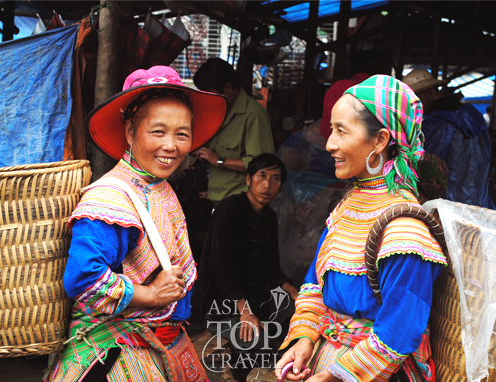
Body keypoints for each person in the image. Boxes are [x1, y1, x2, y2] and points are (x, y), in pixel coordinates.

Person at [45, 66, 227, 382]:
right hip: (115, 356)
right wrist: (151, 295)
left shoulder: (157, 185)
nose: (171, 146)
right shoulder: (111, 198)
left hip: (159, 343)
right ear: (130, 131)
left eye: (182, 134)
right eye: (158, 131)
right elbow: (83, 278)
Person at [275, 75, 447, 382]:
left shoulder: (406, 231)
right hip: (326, 358)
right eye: (331, 129)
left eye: (341, 131)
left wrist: (336, 375)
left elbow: (400, 329)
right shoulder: (348, 207)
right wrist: (303, 341)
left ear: (380, 140)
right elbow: (315, 283)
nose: (330, 144)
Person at [193, 153, 298, 382]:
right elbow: (222, 266)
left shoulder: (269, 216)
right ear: (248, 179)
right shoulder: (229, 208)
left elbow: (272, 267)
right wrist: (244, 310)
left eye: (275, 178)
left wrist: (295, 293)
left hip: (254, 302)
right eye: (262, 176)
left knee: (293, 312)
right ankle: (237, 371)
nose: (267, 185)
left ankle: (245, 356)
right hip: (221, 304)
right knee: (259, 343)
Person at [404, 69, 495, 209]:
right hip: (478, 197)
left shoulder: (436, 122)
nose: (411, 103)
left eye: (413, 96)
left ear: (426, 92)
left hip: (448, 202)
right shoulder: (473, 115)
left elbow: (427, 167)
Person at [193, 58, 275, 204]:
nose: (208, 99)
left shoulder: (253, 115)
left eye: (211, 94)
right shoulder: (217, 110)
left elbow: (263, 166)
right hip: (214, 197)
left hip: (239, 204)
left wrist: (219, 160)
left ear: (227, 87)